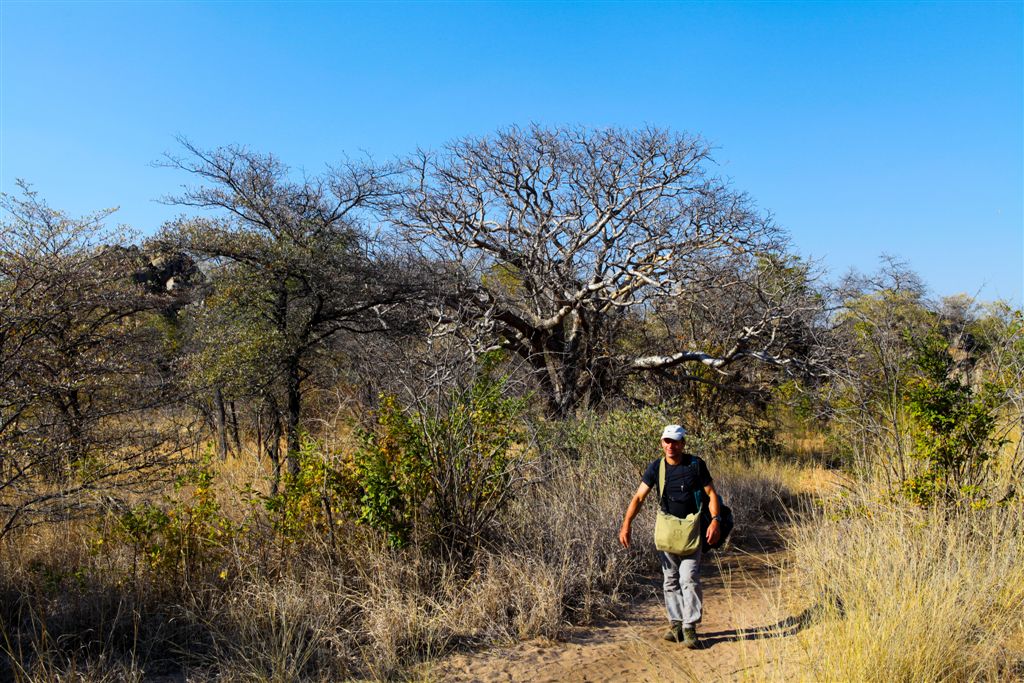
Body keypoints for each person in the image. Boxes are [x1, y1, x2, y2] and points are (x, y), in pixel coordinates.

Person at [618, 424, 722, 649]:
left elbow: (711, 493)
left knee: (689, 579)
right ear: (661, 443)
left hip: (691, 532)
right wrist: (627, 524)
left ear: (683, 443)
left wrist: (715, 521)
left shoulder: (695, 465)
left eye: (675, 441)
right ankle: (675, 625)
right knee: (670, 581)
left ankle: (689, 627)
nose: (670, 445)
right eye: (667, 441)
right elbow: (639, 497)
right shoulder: (657, 467)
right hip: (667, 533)